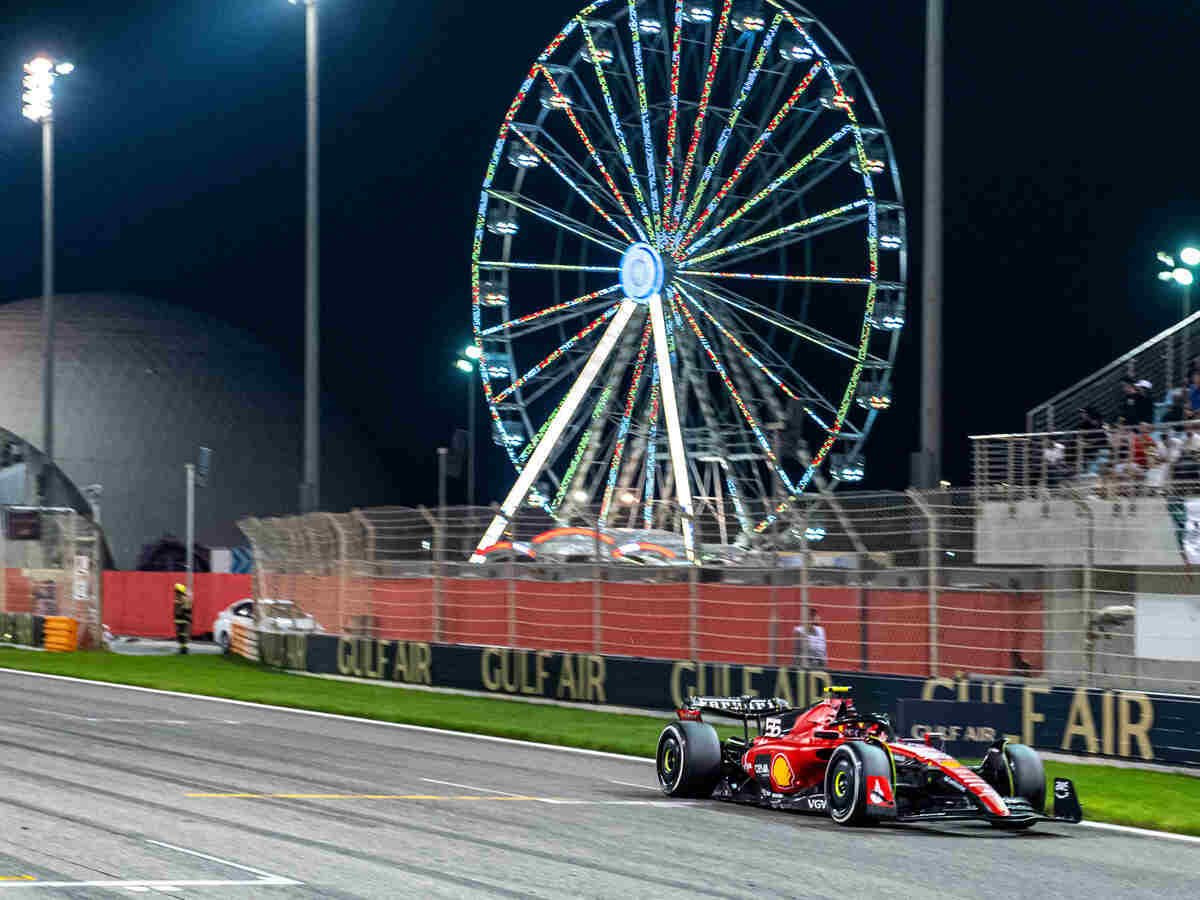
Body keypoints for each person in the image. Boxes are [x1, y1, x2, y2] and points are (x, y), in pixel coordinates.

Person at [173, 583, 192, 655]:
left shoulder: (184, 599)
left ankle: (184, 649)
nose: (175, 592)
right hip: (179, 619)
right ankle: (182, 648)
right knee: (180, 634)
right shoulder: (179, 599)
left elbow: (187, 610)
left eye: (177, 591)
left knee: (183, 634)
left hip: (183, 619)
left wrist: (187, 618)